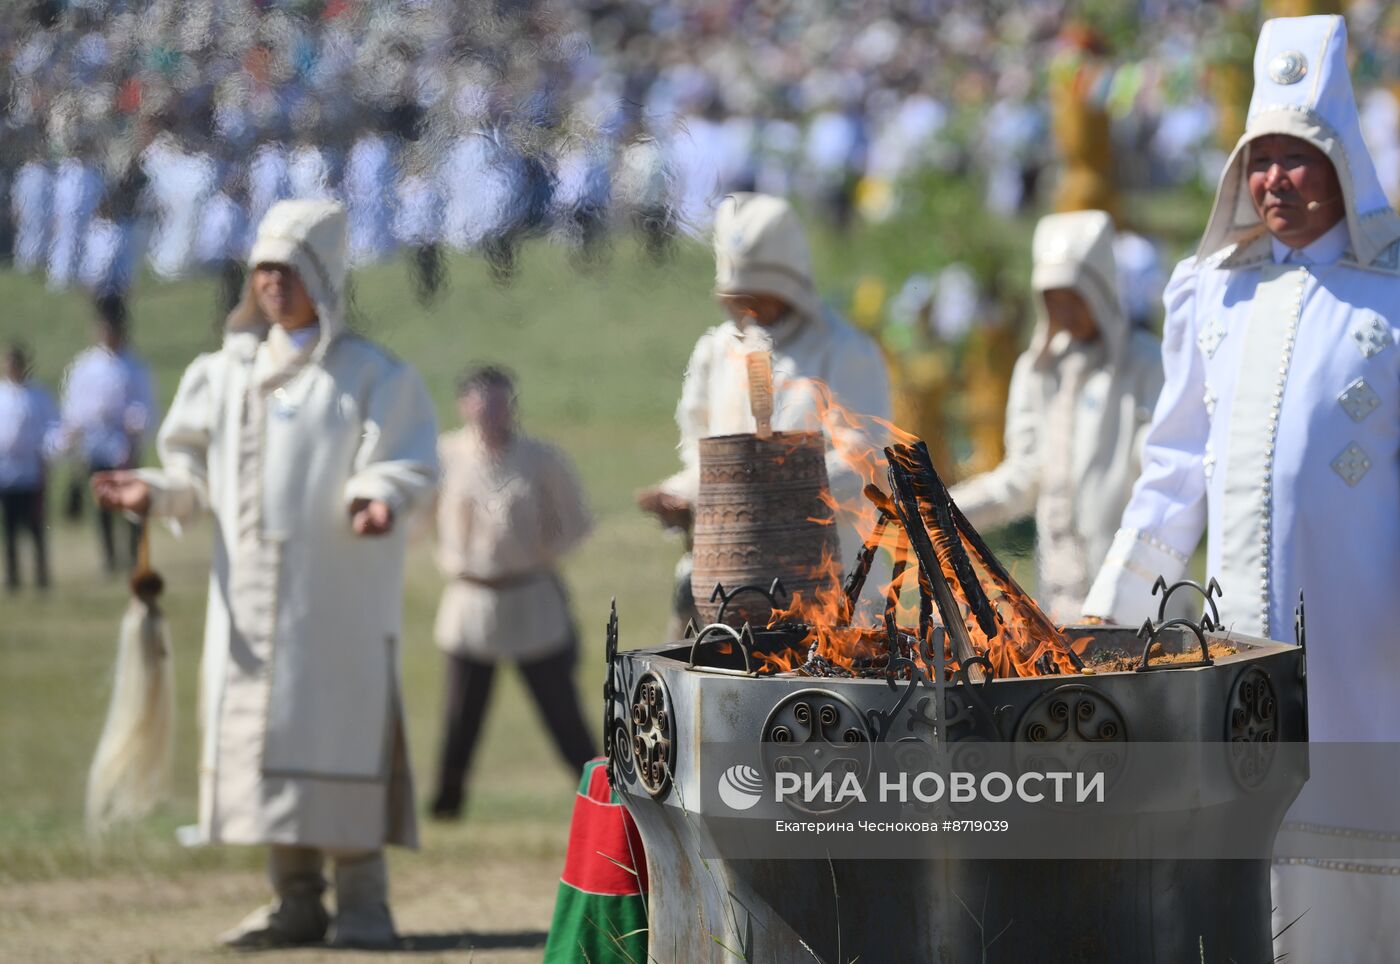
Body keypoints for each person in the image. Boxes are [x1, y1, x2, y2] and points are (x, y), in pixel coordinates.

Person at [1081, 17, 1400, 960]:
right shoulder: (1210, 294)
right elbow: (1175, 465)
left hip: (1367, 641)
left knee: (1359, 848)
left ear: (1341, 163)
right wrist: (1119, 606)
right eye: (1258, 160)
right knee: (1244, 852)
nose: (1274, 181)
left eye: (1297, 158)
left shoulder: (1391, 300)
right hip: (1237, 645)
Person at [92, 199, 438, 950]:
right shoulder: (223, 373)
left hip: (334, 600)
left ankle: (365, 903)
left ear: (320, 277)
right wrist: (148, 490)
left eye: (287, 270)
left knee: (338, 734)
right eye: (262, 272)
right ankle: (295, 900)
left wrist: (377, 496)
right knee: (268, 737)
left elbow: (404, 457)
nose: (272, 285)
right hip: (245, 602)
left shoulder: (369, 374)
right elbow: (192, 473)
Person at [637, 192, 891, 636]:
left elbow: (864, 461)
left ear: (788, 284)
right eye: (737, 296)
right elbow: (704, 457)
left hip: (829, 581)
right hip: (730, 586)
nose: (745, 308)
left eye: (757, 294)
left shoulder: (844, 351)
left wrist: (771, 486)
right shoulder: (715, 352)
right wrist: (681, 495)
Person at [949, 210, 1163, 623]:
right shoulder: (1038, 369)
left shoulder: (1145, 364)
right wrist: (945, 508)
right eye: (1053, 298)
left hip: (1136, 602)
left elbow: (1160, 480)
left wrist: (1123, 584)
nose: (1064, 311)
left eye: (1074, 296)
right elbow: (1022, 477)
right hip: (1061, 602)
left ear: (1099, 290)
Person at [429, 365, 597, 819]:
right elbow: (418, 516)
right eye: (483, 404)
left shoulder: (541, 458)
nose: (492, 414)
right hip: (471, 600)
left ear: (513, 407)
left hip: (531, 596)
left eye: (501, 403)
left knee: (562, 712)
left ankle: (605, 795)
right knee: (461, 715)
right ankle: (447, 805)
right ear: (465, 406)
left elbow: (575, 521)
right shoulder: (444, 456)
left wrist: (537, 551)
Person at [59, 294, 155, 573]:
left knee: (131, 502)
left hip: (124, 442)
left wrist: (136, 426)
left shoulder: (134, 366)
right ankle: (108, 557)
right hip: (94, 442)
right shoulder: (84, 366)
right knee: (102, 503)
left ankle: (135, 554)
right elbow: (74, 403)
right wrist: (74, 431)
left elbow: (144, 404)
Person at [0, 344, 59, 591]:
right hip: (5, 473)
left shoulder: (39, 396)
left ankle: (42, 577)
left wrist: (47, 455)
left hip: (32, 472)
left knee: (36, 528)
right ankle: (13, 578)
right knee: (10, 529)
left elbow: (53, 431)